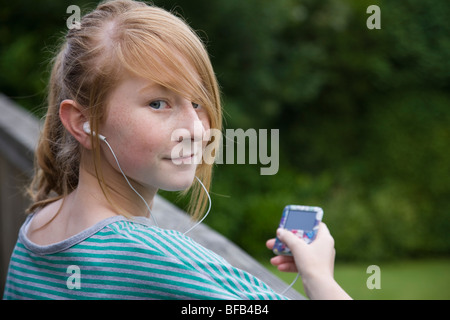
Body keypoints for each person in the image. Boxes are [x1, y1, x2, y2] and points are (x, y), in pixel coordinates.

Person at [3, 0, 350, 300]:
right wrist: (319, 277)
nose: (197, 129)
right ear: (83, 122)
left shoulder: (37, 228)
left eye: (198, 101)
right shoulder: (162, 260)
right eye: (158, 103)